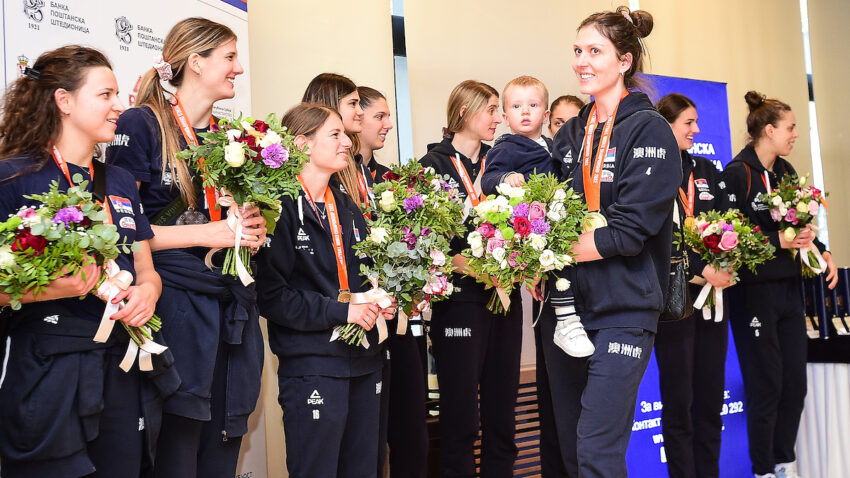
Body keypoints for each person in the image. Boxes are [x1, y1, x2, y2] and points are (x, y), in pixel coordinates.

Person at [0, 45, 177, 478]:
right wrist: (55, 286)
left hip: (121, 366)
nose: (120, 105)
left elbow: (145, 264)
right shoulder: (13, 177)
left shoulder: (117, 179)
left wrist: (148, 293)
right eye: (106, 95)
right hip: (49, 371)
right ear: (64, 101)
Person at [105, 18, 266, 478]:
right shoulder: (142, 124)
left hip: (223, 299)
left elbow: (222, 219)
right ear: (196, 62)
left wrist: (245, 229)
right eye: (229, 57)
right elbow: (121, 230)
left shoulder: (224, 137)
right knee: (176, 444)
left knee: (221, 441)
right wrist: (209, 233)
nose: (239, 68)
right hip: (172, 302)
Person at [540, 6, 681, 477]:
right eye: (577, 51)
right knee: (573, 447)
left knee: (597, 447)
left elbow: (629, 231)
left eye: (594, 51)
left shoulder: (650, 130)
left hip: (624, 310)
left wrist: (547, 246)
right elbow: (545, 213)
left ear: (624, 61)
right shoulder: (572, 134)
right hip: (566, 313)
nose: (582, 61)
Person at [255, 103, 396, 478]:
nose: (346, 143)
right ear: (301, 144)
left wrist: (377, 299)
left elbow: (361, 279)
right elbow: (272, 297)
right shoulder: (277, 208)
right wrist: (343, 310)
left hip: (366, 361)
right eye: (335, 135)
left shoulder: (347, 206)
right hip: (314, 364)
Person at [721, 91, 837, 478]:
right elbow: (726, 239)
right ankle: (763, 469)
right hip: (753, 294)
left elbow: (798, 226)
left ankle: (784, 462)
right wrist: (778, 242)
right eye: (790, 128)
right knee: (766, 384)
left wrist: (820, 250)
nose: (796, 135)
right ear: (768, 130)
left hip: (789, 290)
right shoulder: (737, 174)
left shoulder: (784, 171)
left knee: (794, 385)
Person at [420, 80, 523, 478]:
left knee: (502, 416)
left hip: (504, 300)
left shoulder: (500, 162)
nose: (499, 118)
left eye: (500, 110)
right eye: (492, 110)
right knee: (462, 421)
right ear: (463, 111)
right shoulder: (434, 166)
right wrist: (472, 267)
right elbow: (430, 243)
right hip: (460, 302)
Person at [653, 93, 733, 478]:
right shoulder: (653, 172)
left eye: (697, 121)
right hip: (675, 302)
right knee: (679, 404)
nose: (697, 129)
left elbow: (729, 225)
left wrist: (729, 260)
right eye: (688, 123)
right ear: (666, 125)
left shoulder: (706, 169)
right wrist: (700, 268)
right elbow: (656, 234)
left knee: (709, 402)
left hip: (714, 300)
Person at [357, 86, 429, 478]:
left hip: (400, 317)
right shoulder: (338, 178)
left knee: (410, 427)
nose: (387, 124)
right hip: (362, 313)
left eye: (389, 116)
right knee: (367, 435)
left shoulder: (391, 180)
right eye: (379, 116)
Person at [302, 73, 364, 204]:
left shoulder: (355, 162)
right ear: (330, 104)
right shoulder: (316, 167)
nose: (360, 111)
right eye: (353, 104)